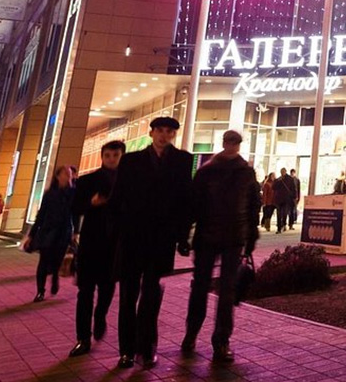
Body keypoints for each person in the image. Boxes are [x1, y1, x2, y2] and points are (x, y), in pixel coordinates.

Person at [109, 116, 193, 370]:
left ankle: (147, 347)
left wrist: (182, 237)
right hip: (133, 236)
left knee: (151, 295)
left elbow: (185, 201)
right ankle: (126, 350)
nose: (163, 135)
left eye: (168, 131)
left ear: (174, 135)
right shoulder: (132, 160)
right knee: (128, 295)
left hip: (162, 238)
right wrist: (114, 233)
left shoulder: (182, 160)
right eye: (159, 130)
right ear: (152, 133)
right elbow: (117, 197)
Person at [182, 131, 260, 363]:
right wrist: (184, 235)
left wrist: (250, 237)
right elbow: (194, 204)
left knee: (227, 291)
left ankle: (221, 341)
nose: (231, 146)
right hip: (207, 236)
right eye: (229, 142)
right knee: (200, 288)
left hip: (233, 238)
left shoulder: (246, 172)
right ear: (223, 143)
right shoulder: (207, 171)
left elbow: (253, 206)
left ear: (238, 145)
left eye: (235, 143)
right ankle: (191, 333)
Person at [67, 140, 125, 358]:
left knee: (108, 289)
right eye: (108, 155)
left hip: (114, 244)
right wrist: (91, 203)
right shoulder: (88, 180)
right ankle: (82, 338)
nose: (111, 159)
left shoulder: (127, 181)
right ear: (102, 156)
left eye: (115, 155)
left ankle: (100, 315)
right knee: (85, 292)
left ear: (121, 156)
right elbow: (74, 207)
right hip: (91, 243)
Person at [24, 165, 76, 302]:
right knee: (43, 261)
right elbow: (41, 215)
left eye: (70, 174)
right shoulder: (49, 194)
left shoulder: (73, 193)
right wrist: (31, 234)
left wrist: (76, 232)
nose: (68, 176)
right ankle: (40, 291)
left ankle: (54, 277)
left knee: (58, 260)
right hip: (48, 232)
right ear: (58, 176)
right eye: (65, 173)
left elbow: (75, 214)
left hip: (64, 233)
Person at [273, 167, 296, 233]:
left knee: (284, 213)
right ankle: (279, 228)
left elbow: (293, 188)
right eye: (281, 172)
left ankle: (283, 225)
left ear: (285, 172)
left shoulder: (290, 179)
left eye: (283, 172)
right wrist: (277, 181)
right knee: (279, 213)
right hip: (279, 199)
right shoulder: (278, 179)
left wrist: (294, 197)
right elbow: (273, 188)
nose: (282, 173)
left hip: (286, 199)